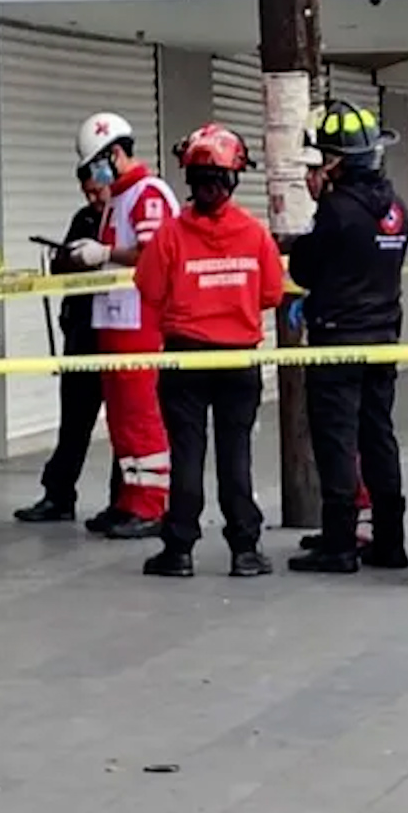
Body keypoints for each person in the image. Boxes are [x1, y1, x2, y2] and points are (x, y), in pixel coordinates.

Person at [134, 124, 284, 578]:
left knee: (187, 454)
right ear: (233, 178)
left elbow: (149, 287)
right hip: (239, 360)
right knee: (235, 454)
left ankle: (178, 550)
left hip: (185, 360)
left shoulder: (170, 236)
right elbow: (273, 293)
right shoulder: (255, 235)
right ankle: (244, 549)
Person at [286, 101, 408, 574]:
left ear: (335, 161)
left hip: (338, 339)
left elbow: (305, 268)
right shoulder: (395, 210)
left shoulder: (337, 211)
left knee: (336, 439)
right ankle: (390, 541)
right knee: (379, 435)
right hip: (383, 337)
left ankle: (339, 543)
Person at [63, 111, 181, 540]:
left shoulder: (149, 194)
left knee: (142, 417)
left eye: (94, 166)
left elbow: (153, 253)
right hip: (113, 321)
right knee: (121, 420)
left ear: (115, 154)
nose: (91, 178)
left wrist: (103, 253)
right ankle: (129, 500)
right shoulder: (120, 197)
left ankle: (151, 505)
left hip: (140, 323)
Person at [14, 166, 119, 526]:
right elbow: (60, 269)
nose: (93, 199)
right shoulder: (84, 220)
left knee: (125, 422)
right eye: (87, 193)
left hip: (121, 331)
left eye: (97, 191)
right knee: (74, 422)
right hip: (82, 331)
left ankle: (124, 501)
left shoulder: (125, 217)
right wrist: (69, 258)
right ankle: (58, 495)